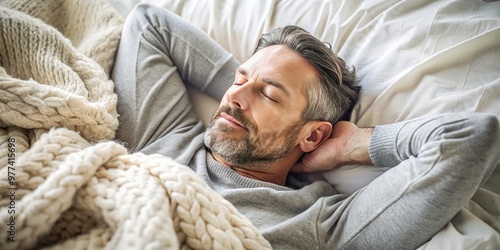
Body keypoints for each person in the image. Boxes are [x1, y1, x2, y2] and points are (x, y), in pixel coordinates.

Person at [112, 4, 500, 249]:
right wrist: (249, 95)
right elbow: (150, 22)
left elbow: (471, 138)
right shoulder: (168, 134)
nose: (234, 96)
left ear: (313, 134)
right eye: (239, 78)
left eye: (271, 95)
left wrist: (357, 145)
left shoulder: (321, 225)